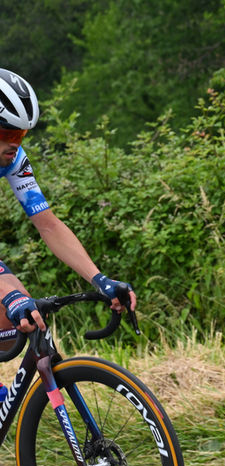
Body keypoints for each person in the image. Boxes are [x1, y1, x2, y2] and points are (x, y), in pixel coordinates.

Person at [0, 68, 135, 335]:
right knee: (10, 299)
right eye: (11, 135)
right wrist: (8, 294)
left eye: (22, 136)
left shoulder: (13, 159)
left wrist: (100, 280)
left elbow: (48, 224)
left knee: (16, 319)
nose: (17, 145)